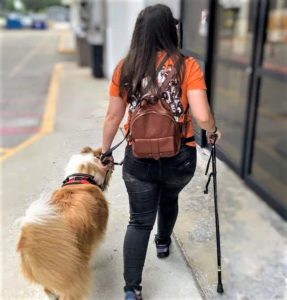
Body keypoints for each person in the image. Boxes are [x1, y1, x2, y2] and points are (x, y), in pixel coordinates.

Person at [100, 4, 222, 300]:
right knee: (169, 198)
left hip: (138, 157)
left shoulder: (125, 67)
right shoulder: (186, 65)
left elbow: (113, 117)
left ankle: (132, 289)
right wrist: (212, 130)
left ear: (139, 32)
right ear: (171, 30)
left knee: (139, 219)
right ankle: (164, 242)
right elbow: (203, 114)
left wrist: (105, 153)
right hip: (179, 155)